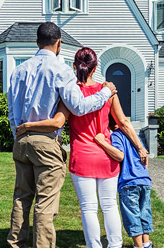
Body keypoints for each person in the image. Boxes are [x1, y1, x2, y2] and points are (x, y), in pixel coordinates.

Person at [17, 46, 148, 248]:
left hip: (82, 158)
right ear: (95, 68)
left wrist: (27, 125)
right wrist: (140, 147)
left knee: (88, 208)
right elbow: (123, 122)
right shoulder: (108, 91)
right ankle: (115, 245)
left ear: (74, 66)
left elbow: (57, 121)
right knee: (109, 205)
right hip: (107, 156)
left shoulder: (70, 94)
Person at [7, 22, 117, 248]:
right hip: (45, 142)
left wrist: (17, 133)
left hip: (21, 140)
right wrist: (106, 92)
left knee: (21, 197)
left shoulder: (18, 70)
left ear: (37, 42)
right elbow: (78, 106)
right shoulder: (61, 70)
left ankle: (16, 243)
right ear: (59, 43)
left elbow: (11, 108)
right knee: (45, 203)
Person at [94, 115, 153, 248]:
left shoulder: (117, 135)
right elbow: (145, 157)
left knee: (132, 216)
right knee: (144, 212)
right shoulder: (135, 136)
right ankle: (146, 243)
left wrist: (102, 143)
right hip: (144, 180)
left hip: (128, 181)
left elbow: (119, 155)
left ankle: (138, 246)